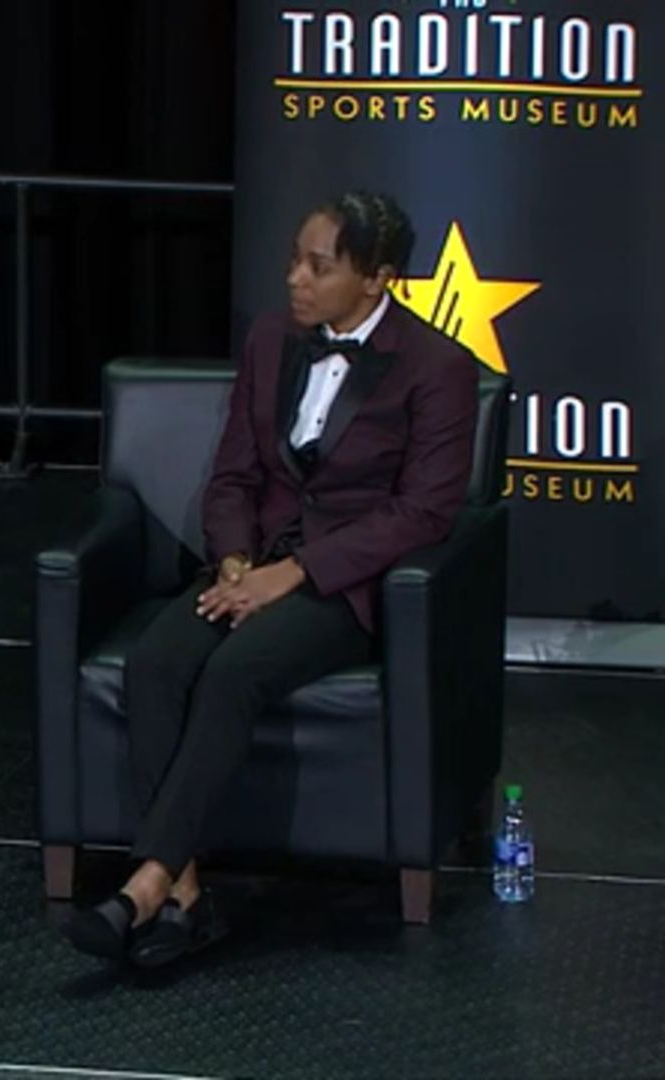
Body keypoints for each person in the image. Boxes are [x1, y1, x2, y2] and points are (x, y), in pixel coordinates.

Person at [61, 192, 479, 969]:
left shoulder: (438, 368)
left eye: (319, 268)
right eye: (294, 260)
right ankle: (185, 893)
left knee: (235, 671)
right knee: (157, 661)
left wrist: (295, 573)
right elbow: (233, 475)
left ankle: (145, 886)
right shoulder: (269, 339)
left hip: (343, 585)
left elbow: (421, 514)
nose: (295, 279)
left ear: (377, 278)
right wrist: (234, 560)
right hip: (250, 563)